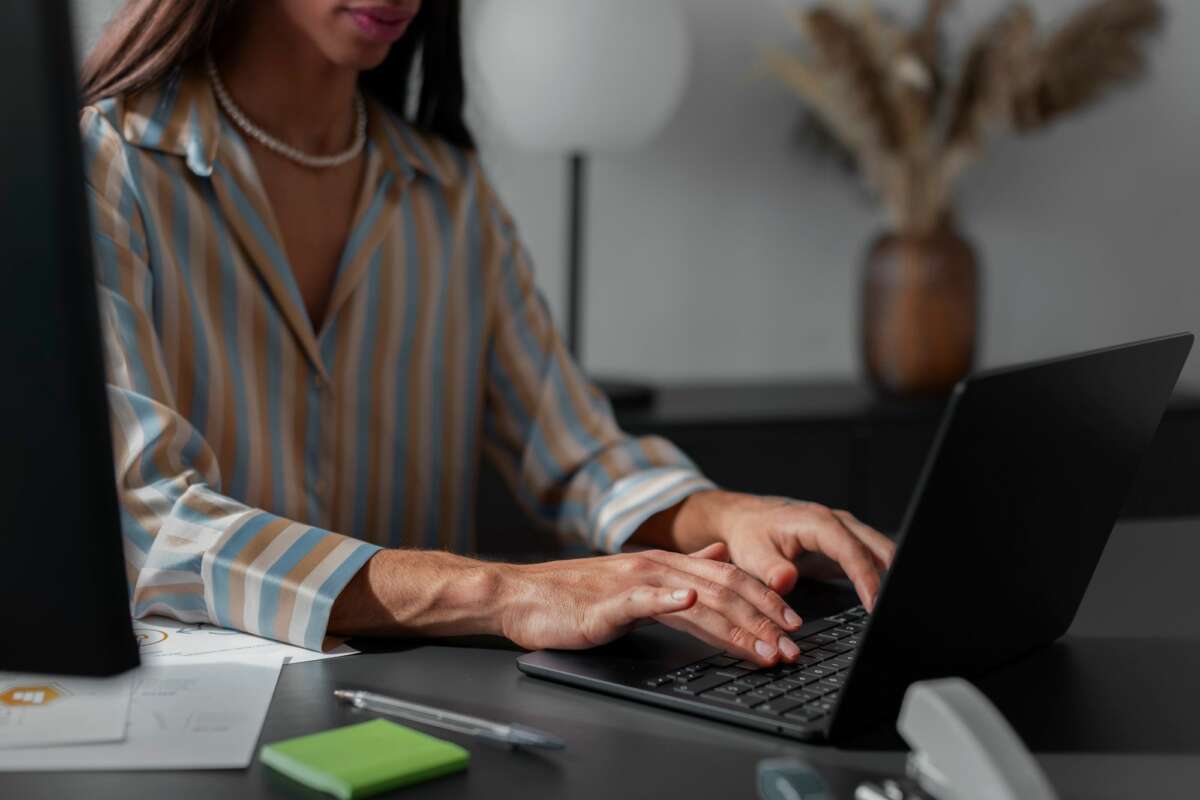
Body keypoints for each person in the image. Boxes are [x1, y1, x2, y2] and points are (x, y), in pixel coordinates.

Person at [79, 0, 894, 667]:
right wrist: (506, 592)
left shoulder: (448, 194)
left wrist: (730, 516)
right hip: (191, 727)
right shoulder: (106, 164)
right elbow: (150, 521)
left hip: (420, 713)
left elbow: (578, 455)